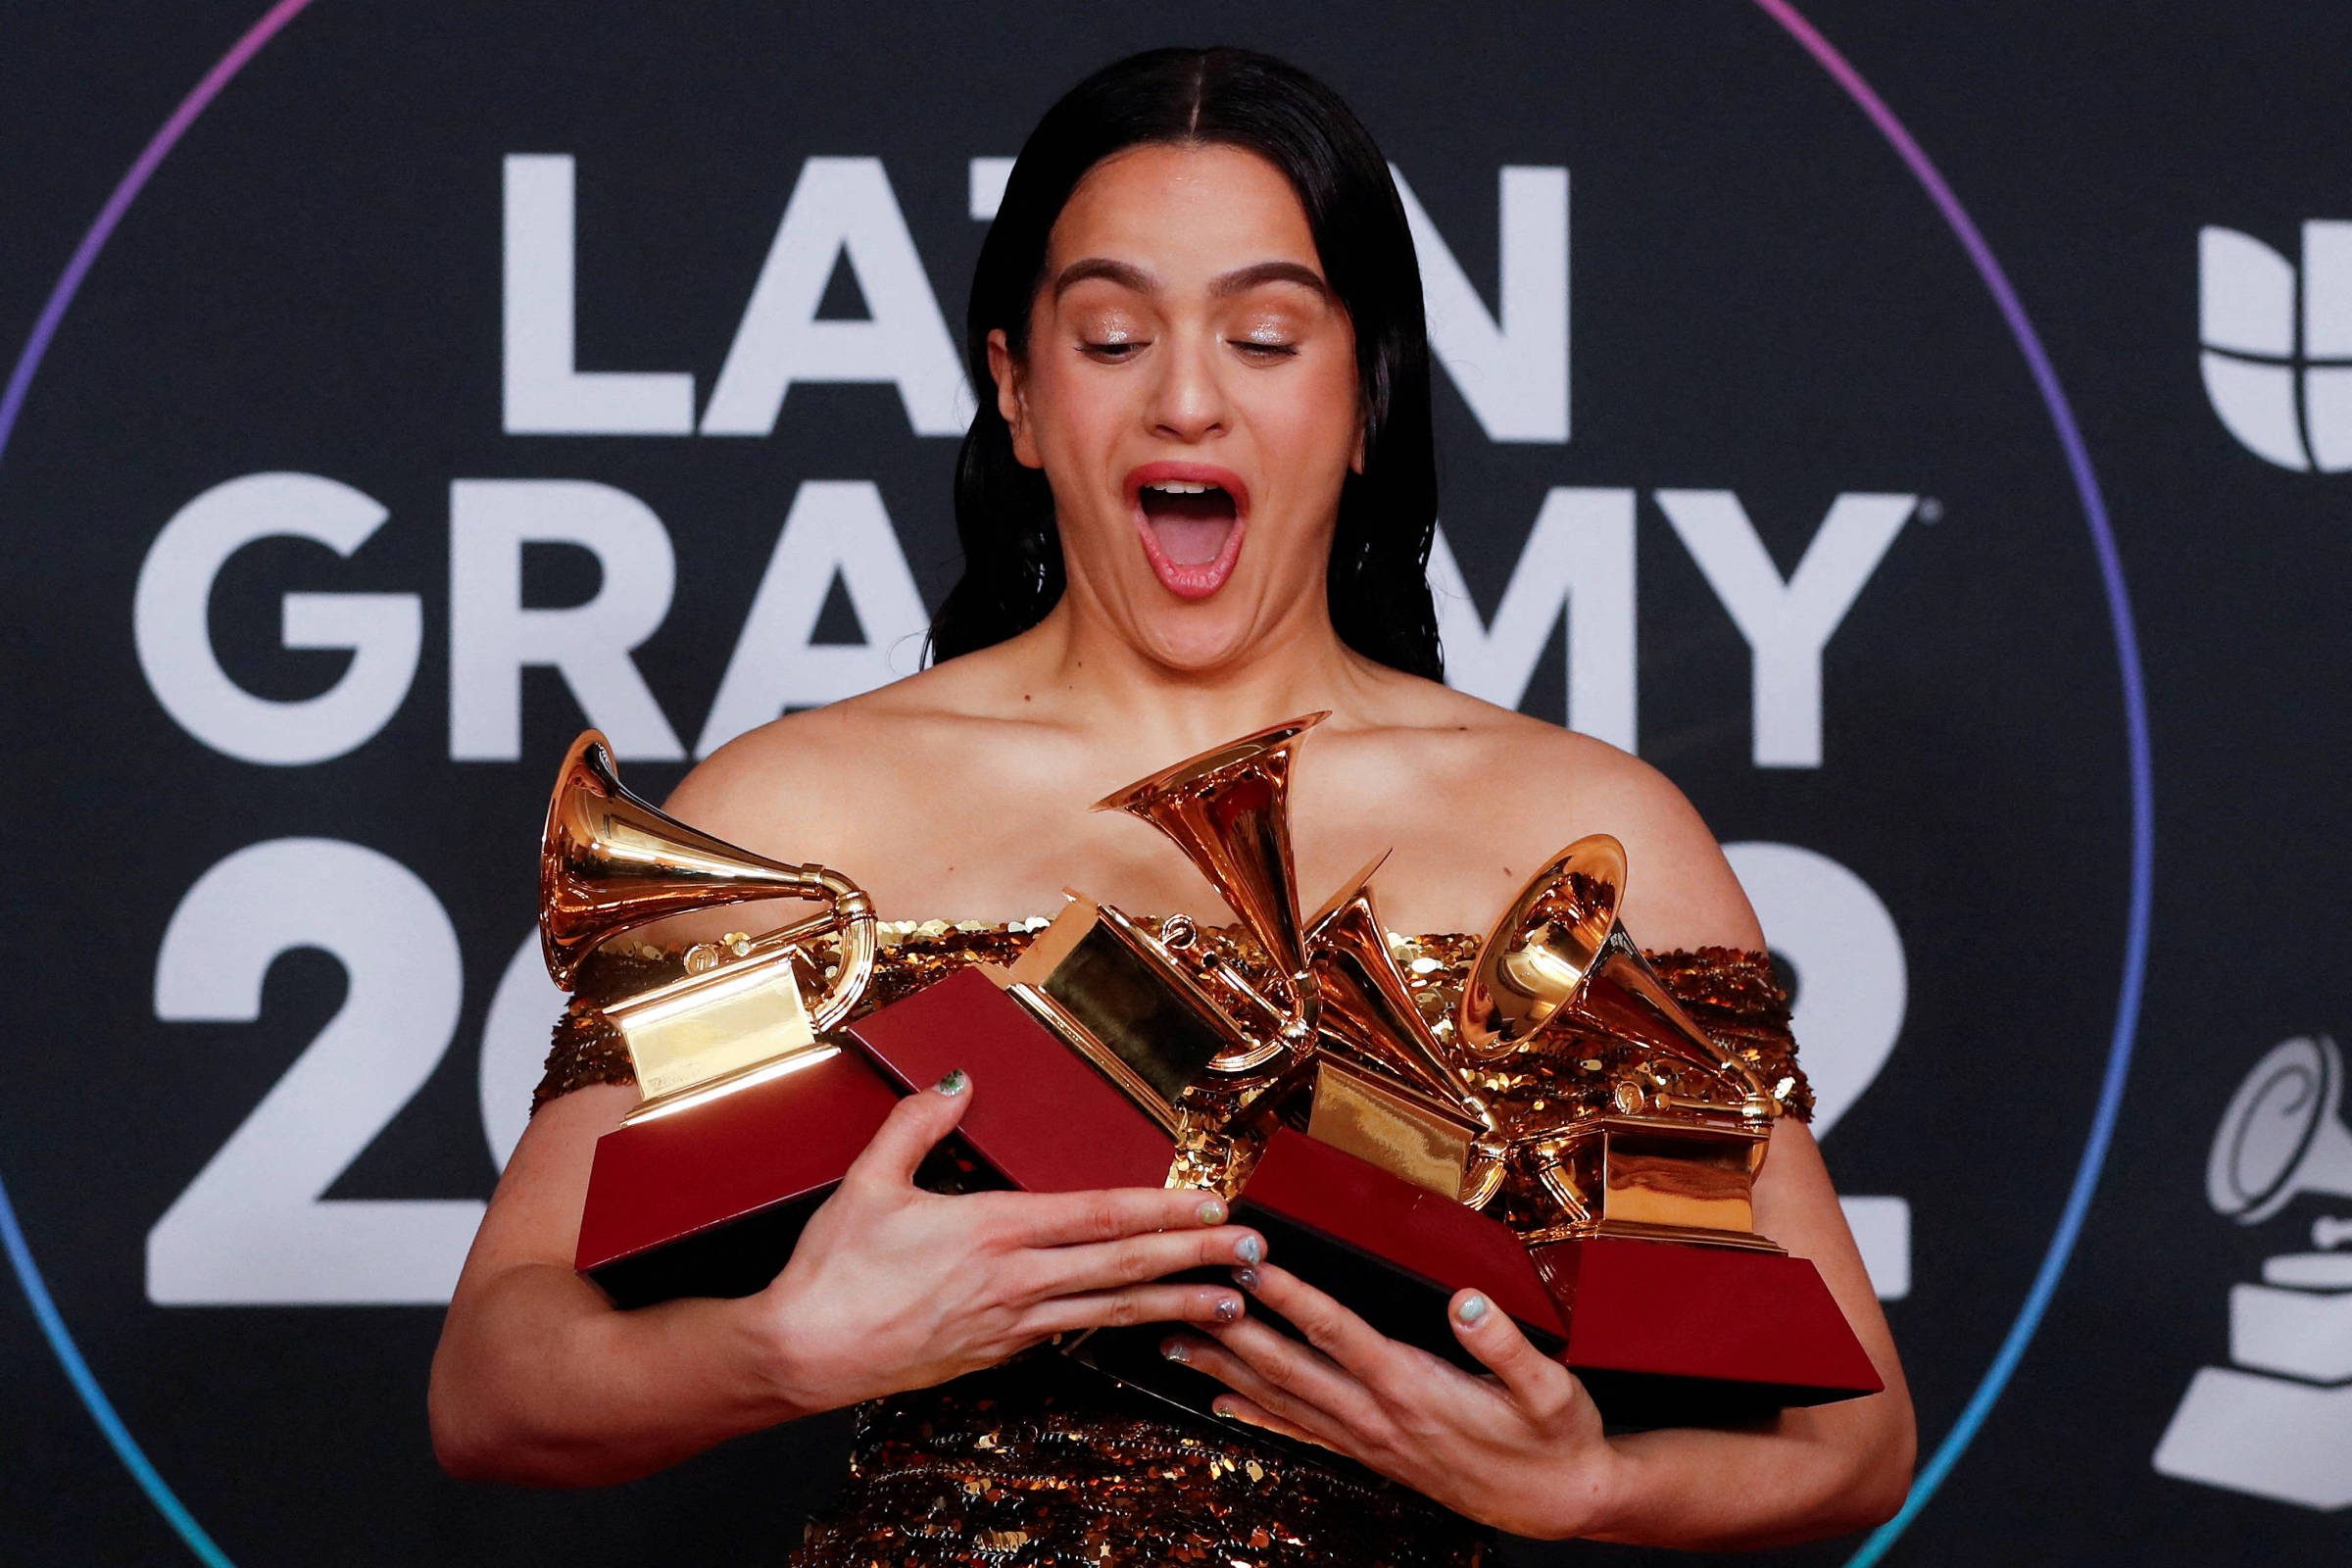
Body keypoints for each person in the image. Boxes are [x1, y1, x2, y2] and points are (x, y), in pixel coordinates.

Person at [429, 44, 1914, 1562]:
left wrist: (1586, 1485)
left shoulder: (1592, 835)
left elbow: (1850, 1441)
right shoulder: (805, 808)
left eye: (1266, 338)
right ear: (1014, 390)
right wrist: (786, 1350)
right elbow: (495, 1378)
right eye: (1114, 336)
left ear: (1365, 399)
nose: (1187, 400)